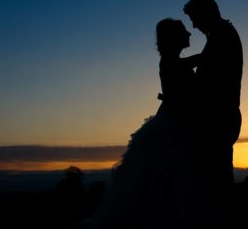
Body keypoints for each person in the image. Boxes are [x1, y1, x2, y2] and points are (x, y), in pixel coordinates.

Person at [81, 18, 198, 228]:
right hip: (173, 126)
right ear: (173, 37)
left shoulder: (172, 60)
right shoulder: (170, 61)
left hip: (173, 122)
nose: (189, 34)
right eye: (184, 32)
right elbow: (186, 78)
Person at [183, 0, 243, 221]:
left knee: (216, 185)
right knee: (215, 182)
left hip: (218, 119)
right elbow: (210, 62)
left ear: (207, 14)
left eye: (195, 18)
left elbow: (211, 81)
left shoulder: (223, 36)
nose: (194, 25)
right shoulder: (221, 35)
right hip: (221, 118)